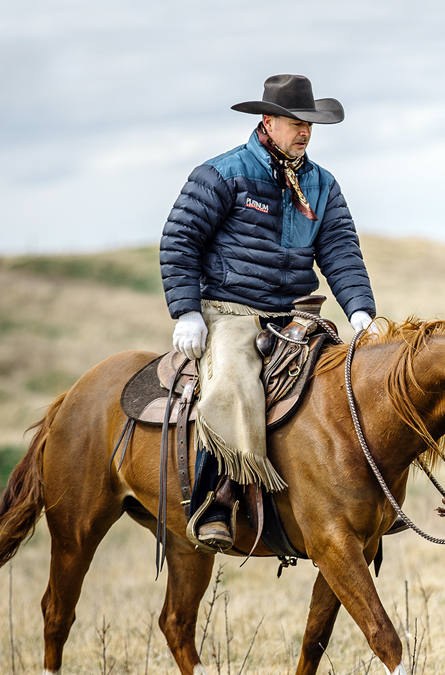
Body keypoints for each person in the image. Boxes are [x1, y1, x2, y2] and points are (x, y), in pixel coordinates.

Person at [160, 74, 376, 549]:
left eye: (310, 124)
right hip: (230, 311)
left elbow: (340, 251)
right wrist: (187, 311)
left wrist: (360, 310)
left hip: (296, 316)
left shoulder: (321, 184)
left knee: (350, 385)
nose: (304, 132)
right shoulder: (220, 174)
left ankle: (358, 498)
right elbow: (180, 241)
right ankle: (216, 499)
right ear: (268, 121)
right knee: (233, 383)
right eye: (295, 122)